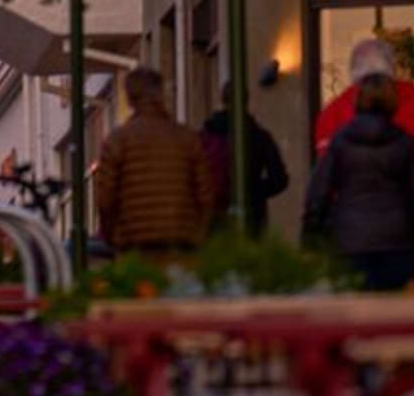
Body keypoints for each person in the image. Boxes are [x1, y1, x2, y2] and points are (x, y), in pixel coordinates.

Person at [303, 71, 414, 291]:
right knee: (392, 316)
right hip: (399, 242)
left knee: (355, 316)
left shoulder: (340, 142)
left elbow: (317, 194)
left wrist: (310, 242)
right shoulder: (405, 143)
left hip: (350, 241)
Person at [89, 69, 216, 260]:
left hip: (135, 243)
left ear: (130, 98)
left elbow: (105, 199)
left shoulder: (118, 140)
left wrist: (112, 236)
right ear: (161, 94)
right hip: (181, 242)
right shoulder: (187, 138)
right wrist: (199, 233)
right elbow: (206, 195)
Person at [311, 35, 414, 182]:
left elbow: (326, 172)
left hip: (353, 201)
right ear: (392, 66)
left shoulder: (333, 114)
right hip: (405, 200)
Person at [198, 102, 290, 235]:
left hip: (216, 215)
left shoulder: (205, 137)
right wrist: (256, 190)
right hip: (252, 217)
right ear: (246, 101)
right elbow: (279, 179)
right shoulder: (259, 136)